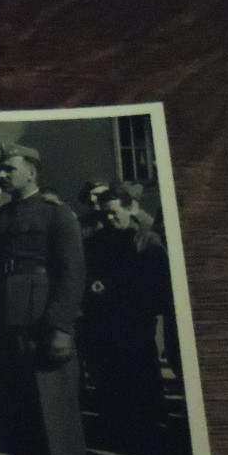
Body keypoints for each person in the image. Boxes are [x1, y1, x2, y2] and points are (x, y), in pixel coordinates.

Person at [0, 143, 94, 455]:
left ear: (31, 172)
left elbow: (72, 275)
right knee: (21, 424)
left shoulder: (57, 216)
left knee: (57, 427)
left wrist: (60, 328)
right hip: (9, 331)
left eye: (10, 169)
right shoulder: (2, 216)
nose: (2, 176)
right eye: (2, 170)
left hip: (43, 329)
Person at [82, 183, 173, 438]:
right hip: (105, 317)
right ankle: (115, 423)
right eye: (104, 215)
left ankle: (151, 424)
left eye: (113, 213)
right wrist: (95, 285)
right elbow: (89, 274)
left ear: (127, 209)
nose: (109, 219)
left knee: (141, 370)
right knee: (109, 372)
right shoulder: (97, 241)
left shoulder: (146, 240)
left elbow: (159, 281)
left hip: (136, 318)